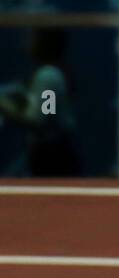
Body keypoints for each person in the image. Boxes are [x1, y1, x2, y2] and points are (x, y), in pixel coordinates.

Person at [0, 27, 81, 177]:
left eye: (31, 37)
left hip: (53, 155)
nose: (26, 42)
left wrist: (3, 104)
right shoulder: (46, 74)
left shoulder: (48, 76)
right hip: (50, 152)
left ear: (44, 42)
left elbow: (41, 119)